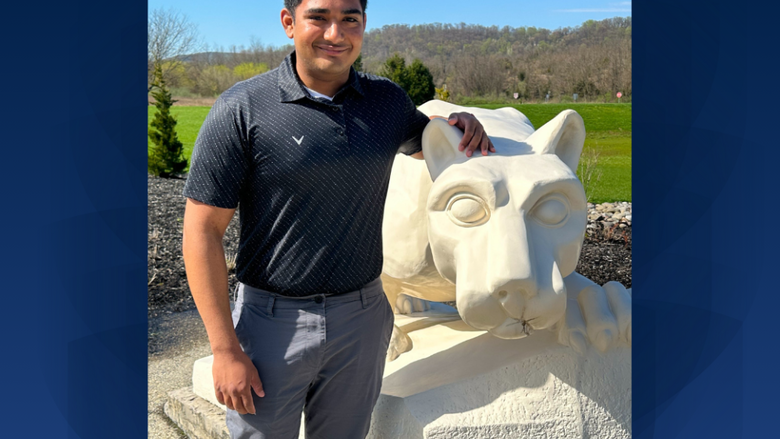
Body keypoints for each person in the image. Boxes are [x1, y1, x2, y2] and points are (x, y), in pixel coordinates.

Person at [181, 0, 494, 437]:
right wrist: (224, 349)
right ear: (289, 23)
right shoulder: (243, 108)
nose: (335, 33)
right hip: (272, 325)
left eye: (350, 19)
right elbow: (201, 232)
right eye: (319, 17)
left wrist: (459, 123)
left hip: (362, 320)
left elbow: (430, 140)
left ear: (364, 25)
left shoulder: (385, 102)